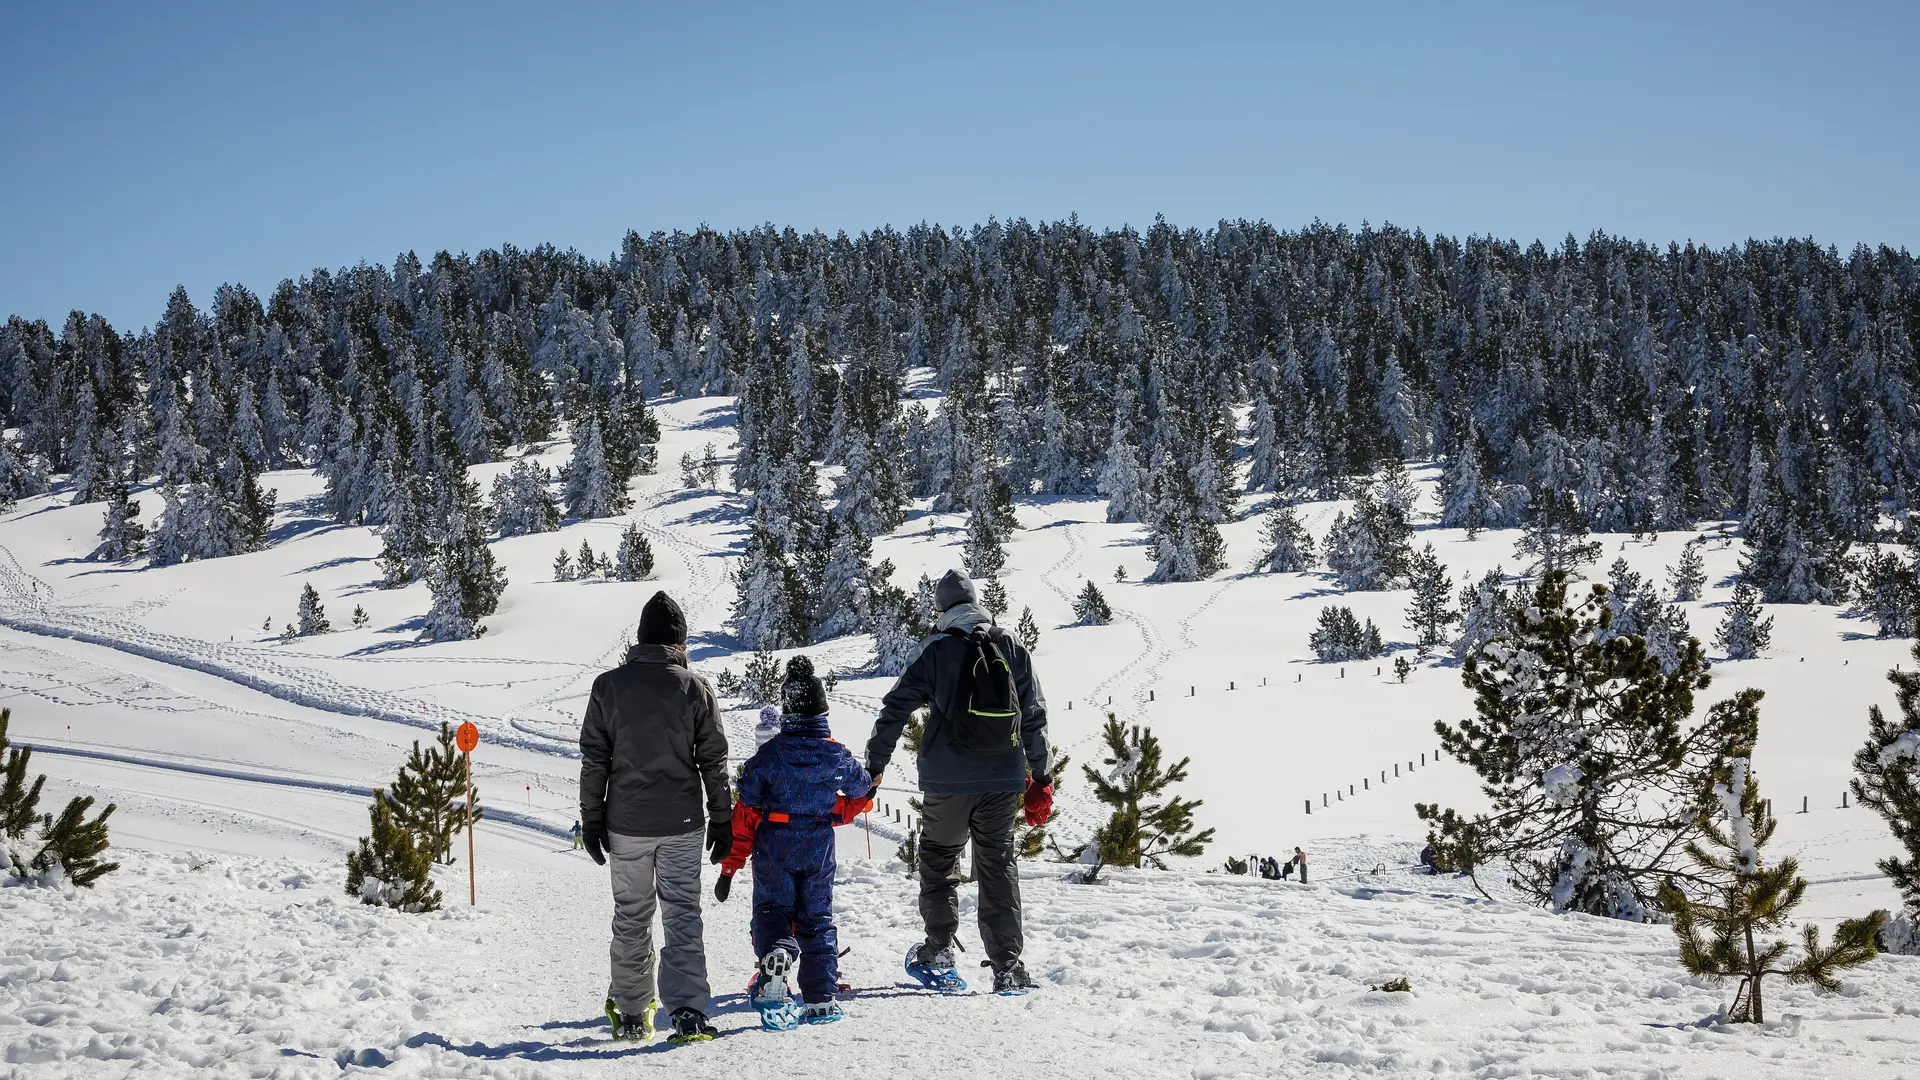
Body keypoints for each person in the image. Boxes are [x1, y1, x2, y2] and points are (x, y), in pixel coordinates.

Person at [866, 569, 1051, 995]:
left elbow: (895, 709)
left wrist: (876, 765)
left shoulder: (936, 649)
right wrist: (1040, 776)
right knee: (997, 865)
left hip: (948, 781)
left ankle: (939, 949)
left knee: (939, 859)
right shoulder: (1011, 646)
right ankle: (1008, 967)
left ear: (941, 609)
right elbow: (1035, 716)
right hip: (1005, 778)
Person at [579, 591, 732, 1044]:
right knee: (682, 913)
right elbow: (714, 760)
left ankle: (630, 1013)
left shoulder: (608, 686)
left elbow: (595, 760)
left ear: (640, 639)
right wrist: (722, 820)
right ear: (679, 641)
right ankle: (686, 1012)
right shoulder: (694, 687)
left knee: (631, 914)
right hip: (683, 823)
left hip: (625, 824)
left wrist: (591, 820)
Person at [712, 657, 871, 1028]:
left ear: (788, 712)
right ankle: (819, 998)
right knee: (817, 918)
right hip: (818, 841)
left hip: (775, 841)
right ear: (823, 712)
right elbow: (861, 787)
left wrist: (731, 864)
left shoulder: (770, 754)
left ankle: (776, 955)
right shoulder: (835, 753)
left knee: (772, 910)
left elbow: (748, 798)